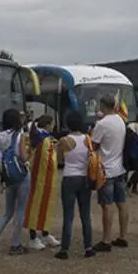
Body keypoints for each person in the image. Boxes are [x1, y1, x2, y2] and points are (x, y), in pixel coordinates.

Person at [0, 109, 30, 255]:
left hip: (7, 175)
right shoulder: (20, 135)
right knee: (20, 210)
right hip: (21, 174)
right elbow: (23, 157)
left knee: (7, 212)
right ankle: (15, 244)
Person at [54, 111, 95, 259]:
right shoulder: (88, 139)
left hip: (69, 177)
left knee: (68, 215)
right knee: (85, 214)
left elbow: (58, 161)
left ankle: (64, 249)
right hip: (84, 178)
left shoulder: (64, 141)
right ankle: (88, 247)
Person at [92, 95, 129, 252]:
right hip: (119, 167)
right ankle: (122, 236)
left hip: (105, 169)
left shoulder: (102, 124)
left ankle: (106, 239)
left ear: (102, 106)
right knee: (121, 203)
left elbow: (93, 145)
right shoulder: (120, 120)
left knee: (106, 206)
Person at [24, 115, 60, 250]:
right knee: (35, 204)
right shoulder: (41, 138)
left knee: (45, 203)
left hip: (45, 176)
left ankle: (45, 232)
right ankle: (33, 236)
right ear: (48, 124)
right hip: (38, 176)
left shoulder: (43, 137)